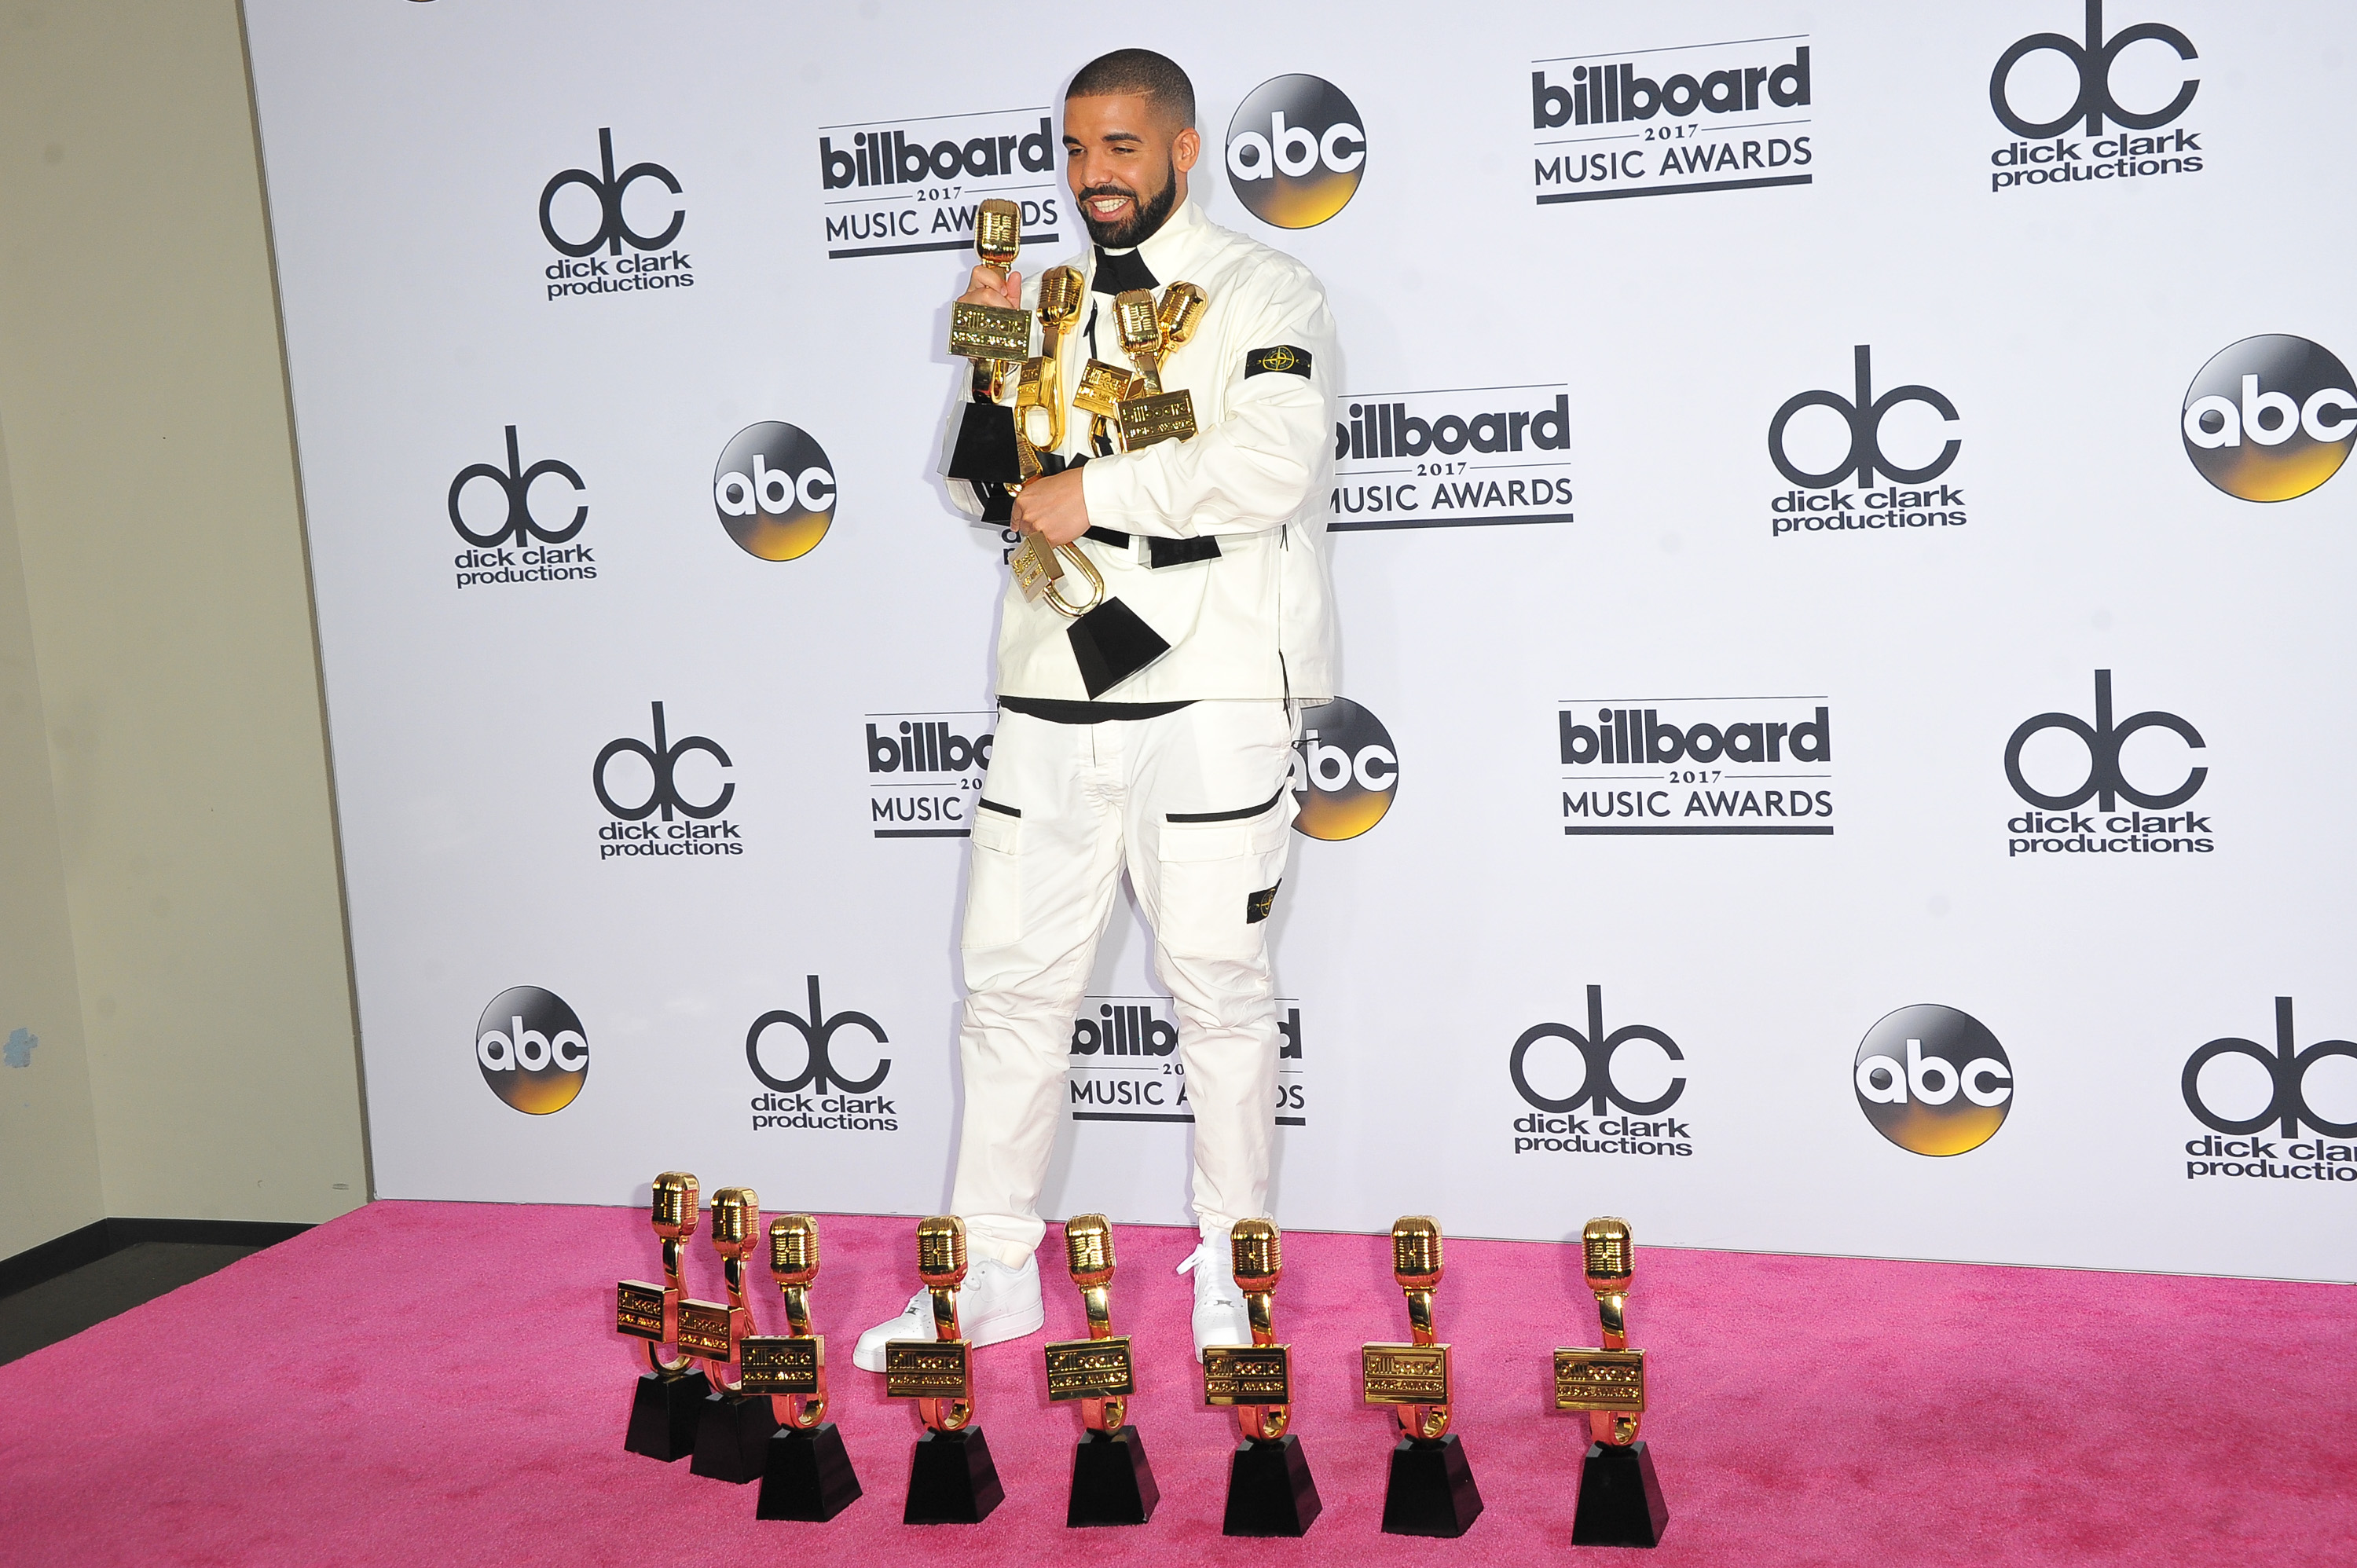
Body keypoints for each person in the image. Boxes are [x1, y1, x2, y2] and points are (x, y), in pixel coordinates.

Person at [852, 47, 1340, 1368]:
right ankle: (993, 1271)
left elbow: (1274, 461)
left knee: (1219, 993)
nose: (1091, 177)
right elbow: (975, 490)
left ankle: (1234, 1276)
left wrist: (1102, 493)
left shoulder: (1263, 288)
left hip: (1209, 693)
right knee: (1006, 991)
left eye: (1119, 148)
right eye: (1074, 151)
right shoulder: (1044, 300)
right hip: (1050, 690)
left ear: (1182, 150)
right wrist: (991, 349)